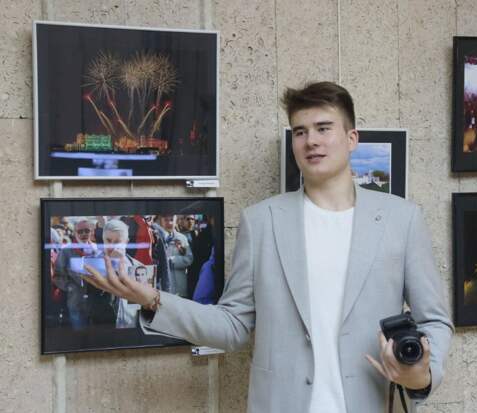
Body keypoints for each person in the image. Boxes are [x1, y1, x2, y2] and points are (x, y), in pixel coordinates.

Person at [83, 81, 454, 412]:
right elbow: (233, 326)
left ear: (352, 138)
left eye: (324, 128)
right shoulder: (261, 221)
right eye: (300, 132)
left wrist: (421, 375)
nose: (311, 141)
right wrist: (154, 300)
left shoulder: (401, 219)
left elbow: (434, 320)